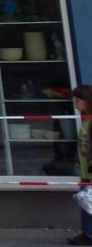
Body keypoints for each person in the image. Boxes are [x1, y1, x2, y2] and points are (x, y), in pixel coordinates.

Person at [69, 85, 92, 246]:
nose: (75, 103)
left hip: (90, 172)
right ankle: (87, 233)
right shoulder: (85, 120)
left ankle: (88, 235)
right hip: (85, 172)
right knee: (85, 204)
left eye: (78, 100)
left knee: (87, 204)